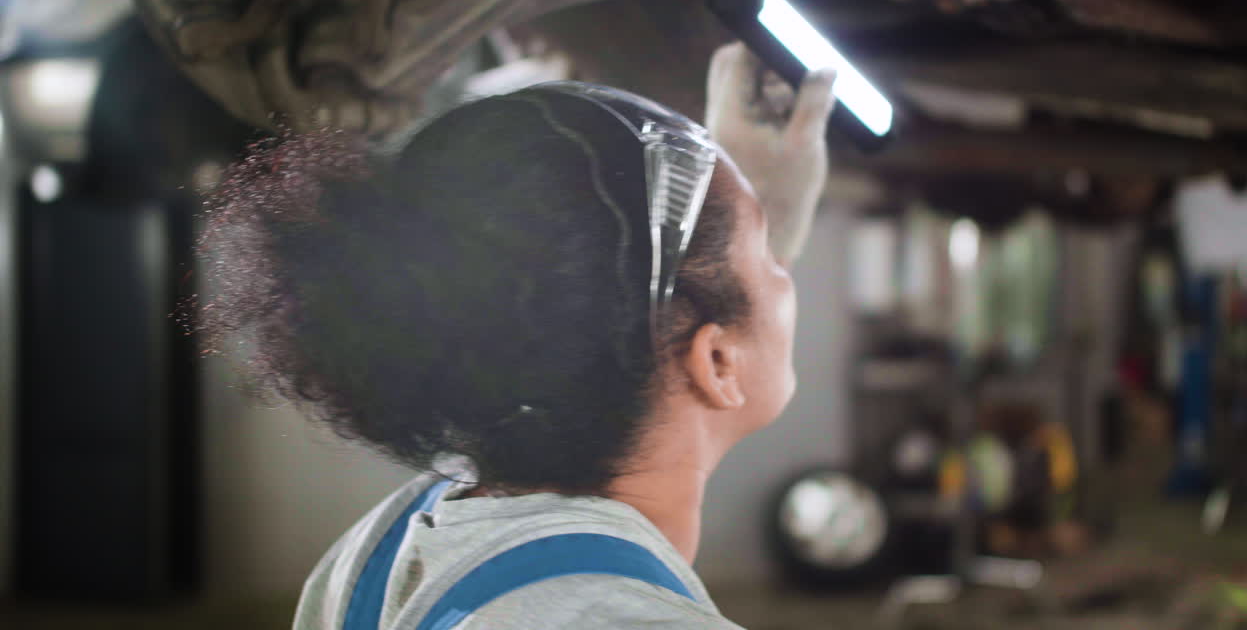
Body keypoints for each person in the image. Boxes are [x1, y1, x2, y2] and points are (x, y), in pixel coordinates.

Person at [197, 43, 837, 629]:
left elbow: (573, 312)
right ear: (718, 362)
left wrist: (737, 227)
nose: (786, 275)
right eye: (771, 261)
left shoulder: (386, 546)